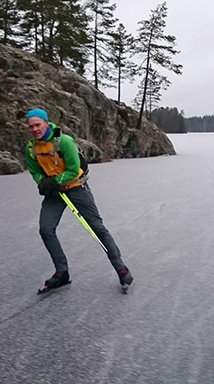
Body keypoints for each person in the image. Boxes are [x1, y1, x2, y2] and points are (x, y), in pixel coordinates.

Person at [24, 108, 133, 293]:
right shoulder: (31, 147)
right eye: (31, 126)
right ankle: (62, 272)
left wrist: (55, 181)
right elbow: (34, 170)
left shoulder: (64, 141)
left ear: (46, 123)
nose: (34, 129)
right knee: (46, 229)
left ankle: (121, 269)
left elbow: (74, 170)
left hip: (76, 189)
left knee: (97, 228)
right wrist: (42, 182)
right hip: (55, 193)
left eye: (38, 124)